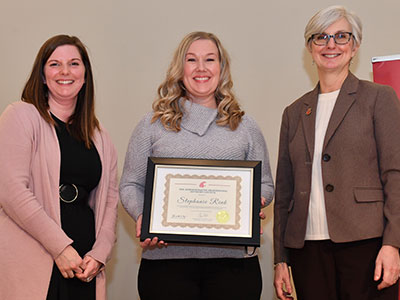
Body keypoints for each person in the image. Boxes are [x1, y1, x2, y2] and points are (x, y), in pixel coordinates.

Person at [120, 31, 274, 300]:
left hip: (235, 265)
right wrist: (142, 216)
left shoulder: (245, 126)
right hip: (165, 264)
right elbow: (131, 184)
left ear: (221, 68)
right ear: (180, 69)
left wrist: (254, 202)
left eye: (210, 60)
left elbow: (265, 184)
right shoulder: (152, 125)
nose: (201, 68)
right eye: (192, 60)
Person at [273, 5, 400, 300]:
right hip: (306, 250)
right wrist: (281, 259)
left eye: (341, 36)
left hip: (367, 245)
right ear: (310, 47)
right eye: (321, 37)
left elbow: (395, 174)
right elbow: (284, 191)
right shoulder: (293, 113)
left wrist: (393, 243)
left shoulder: (379, 98)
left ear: (354, 46)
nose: (331, 45)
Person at [0, 35, 118, 300]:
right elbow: (11, 191)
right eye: (55, 64)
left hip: (83, 263)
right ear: (42, 76)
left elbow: (110, 199)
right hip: (33, 256)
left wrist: (100, 254)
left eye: (74, 63)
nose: (65, 72)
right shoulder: (21, 116)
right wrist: (60, 248)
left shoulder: (100, 135)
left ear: (85, 75)